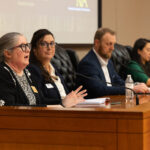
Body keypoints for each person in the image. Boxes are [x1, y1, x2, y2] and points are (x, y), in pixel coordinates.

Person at [0, 32, 87, 107]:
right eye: (23, 46)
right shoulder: (3, 73)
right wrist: (61, 105)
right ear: (7, 53)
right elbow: (9, 107)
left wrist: (63, 102)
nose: (27, 50)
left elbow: (40, 101)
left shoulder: (27, 72)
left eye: (27, 45)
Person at [76, 28, 149, 98]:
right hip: (93, 107)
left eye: (113, 44)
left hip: (110, 101)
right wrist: (130, 89)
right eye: (109, 44)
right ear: (97, 43)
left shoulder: (108, 61)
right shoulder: (88, 64)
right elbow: (100, 90)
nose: (112, 48)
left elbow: (117, 81)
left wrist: (135, 86)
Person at [27, 29, 87, 105]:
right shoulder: (32, 70)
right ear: (35, 49)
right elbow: (39, 100)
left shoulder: (54, 68)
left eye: (52, 43)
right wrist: (62, 102)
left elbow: (65, 94)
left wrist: (74, 98)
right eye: (44, 44)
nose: (49, 47)